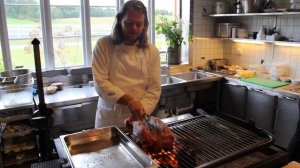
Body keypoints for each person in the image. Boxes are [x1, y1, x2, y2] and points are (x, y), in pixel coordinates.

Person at [92, 0, 161, 129]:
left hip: (138, 119)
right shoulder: (104, 45)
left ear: (144, 25)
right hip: (109, 118)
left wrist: (140, 111)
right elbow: (101, 82)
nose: (134, 28)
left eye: (139, 24)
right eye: (129, 23)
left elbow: (154, 89)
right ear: (119, 20)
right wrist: (130, 101)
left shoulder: (152, 51)